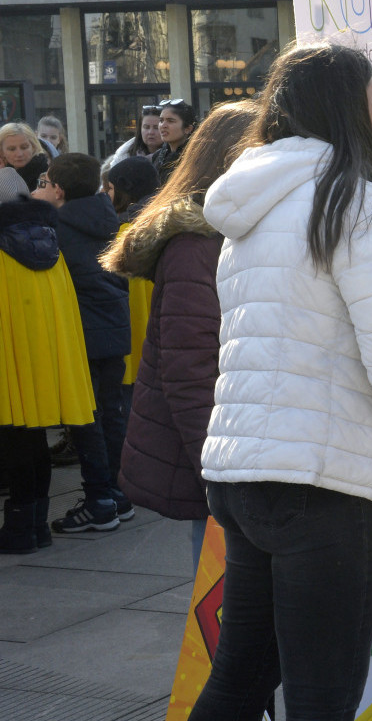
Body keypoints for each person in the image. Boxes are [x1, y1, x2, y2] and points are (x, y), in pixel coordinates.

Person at [189, 42, 372, 721]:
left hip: (244, 471)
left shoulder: (252, 202)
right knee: (322, 696)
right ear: (345, 108)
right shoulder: (354, 201)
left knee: (241, 675)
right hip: (322, 479)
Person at [100, 100, 257, 575]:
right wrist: (216, 472)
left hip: (236, 446)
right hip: (218, 454)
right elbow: (189, 368)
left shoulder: (229, 232)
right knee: (222, 601)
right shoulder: (197, 244)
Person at [33, 153, 134, 532]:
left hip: (82, 332)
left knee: (86, 418)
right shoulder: (106, 217)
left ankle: (99, 501)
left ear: (58, 189)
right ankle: (118, 493)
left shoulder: (57, 225)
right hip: (113, 326)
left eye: (44, 183)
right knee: (110, 413)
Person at [0, 167, 97, 554]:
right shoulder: (47, 240)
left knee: (13, 439)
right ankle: (34, 525)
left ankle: (21, 529)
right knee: (34, 438)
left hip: (10, 359)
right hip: (43, 357)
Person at [105, 156, 162, 406]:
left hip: (135, 339)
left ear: (125, 189)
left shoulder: (124, 232)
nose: (106, 193)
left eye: (109, 188)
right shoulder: (163, 223)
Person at [151, 99, 197, 184]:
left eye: (170, 121)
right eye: (161, 120)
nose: (163, 125)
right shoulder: (158, 156)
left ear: (188, 129)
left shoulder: (195, 158)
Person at [0, 122, 51, 191]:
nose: (19, 154)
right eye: (12, 149)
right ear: (2, 152)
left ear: (33, 147)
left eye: (24, 147)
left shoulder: (46, 174)